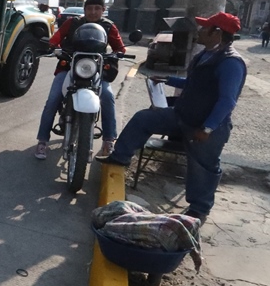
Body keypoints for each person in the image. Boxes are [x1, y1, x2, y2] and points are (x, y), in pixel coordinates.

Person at [96, 12, 247, 222]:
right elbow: (194, 84)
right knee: (143, 119)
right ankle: (120, 157)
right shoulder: (205, 55)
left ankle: (199, 209)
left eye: (205, 28)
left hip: (206, 127)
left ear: (218, 33)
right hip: (182, 116)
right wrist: (167, 80)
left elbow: (227, 101)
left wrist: (207, 128)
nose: (200, 31)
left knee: (203, 168)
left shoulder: (230, 63)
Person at [34, 0, 125, 160]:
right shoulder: (73, 23)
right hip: (69, 66)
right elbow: (56, 38)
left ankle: (109, 140)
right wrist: (54, 47)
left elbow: (120, 48)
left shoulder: (109, 27)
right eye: (89, 8)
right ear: (84, 10)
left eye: (97, 8)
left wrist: (117, 54)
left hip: (96, 70)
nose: (93, 12)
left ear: (103, 10)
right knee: (53, 99)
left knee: (108, 97)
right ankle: (42, 141)